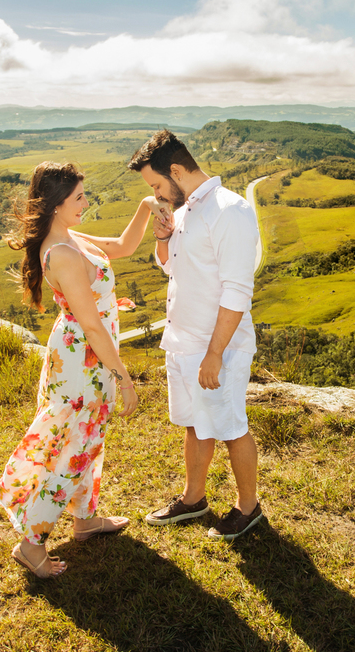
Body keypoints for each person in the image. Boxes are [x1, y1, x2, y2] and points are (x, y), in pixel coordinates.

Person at [0, 161, 166, 577]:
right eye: (79, 198)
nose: (86, 203)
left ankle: (85, 520)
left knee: (88, 438)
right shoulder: (63, 254)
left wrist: (145, 205)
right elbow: (90, 324)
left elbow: (121, 246)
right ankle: (31, 545)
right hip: (81, 362)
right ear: (55, 205)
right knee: (70, 448)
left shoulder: (70, 237)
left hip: (84, 356)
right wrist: (124, 378)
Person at [128, 130, 264, 541]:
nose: (156, 193)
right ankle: (193, 498)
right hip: (183, 342)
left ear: (175, 170)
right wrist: (165, 237)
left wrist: (215, 353)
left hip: (218, 348)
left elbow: (237, 290)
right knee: (194, 422)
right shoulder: (185, 210)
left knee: (230, 425)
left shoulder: (231, 211)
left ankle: (248, 506)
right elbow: (173, 271)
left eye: (155, 185)